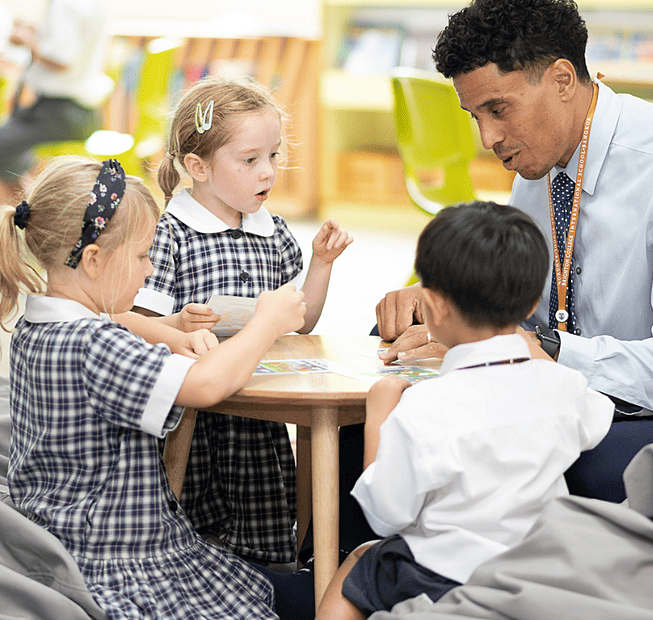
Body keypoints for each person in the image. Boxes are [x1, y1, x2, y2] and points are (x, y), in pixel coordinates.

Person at [375, 0, 653, 504]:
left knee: (540, 461)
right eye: (476, 117)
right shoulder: (539, 166)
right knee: (394, 408)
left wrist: (549, 350)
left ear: (563, 79)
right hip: (568, 396)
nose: (487, 140)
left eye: (499, 110)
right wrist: (442, 302)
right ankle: (350, 572)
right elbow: (522, 307)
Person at [0, 155, 307, 620]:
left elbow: (117, 320)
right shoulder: (93, 344)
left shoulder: (38, 324)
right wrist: (266, 323)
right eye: (143, 256)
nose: (149, 271)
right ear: (94, 260)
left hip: (71, 545)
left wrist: (170, 327)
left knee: (290, 592)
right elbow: (206, 385)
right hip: (125, 565)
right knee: (313, 598)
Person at [315, 200, 614, 620]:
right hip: (538, 575)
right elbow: (598, 417)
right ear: (532, 305)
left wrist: (380, 411)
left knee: (358, 566)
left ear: (433, 305)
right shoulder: (565, 387)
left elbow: (385, 515)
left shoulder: (424, 407)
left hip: (440, 576)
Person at [132, 75, 353, 565]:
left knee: (263, 522)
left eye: (274, 156)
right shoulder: (172, 233)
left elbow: (301, 321)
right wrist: (178, 322)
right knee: (196, 528)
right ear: (198, 166)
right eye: (250, 160)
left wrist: (320, 264)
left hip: (259, 412)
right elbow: (138, 328)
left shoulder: (270, 229)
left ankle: (271, 581)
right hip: (198, 413)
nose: (268, 173)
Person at [0, 0, 112, 204]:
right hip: (83, 111)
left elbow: (61, 59)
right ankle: (27, 206)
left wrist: (25, 39)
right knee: (10, 146)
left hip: (61, 112)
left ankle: (21, 221)